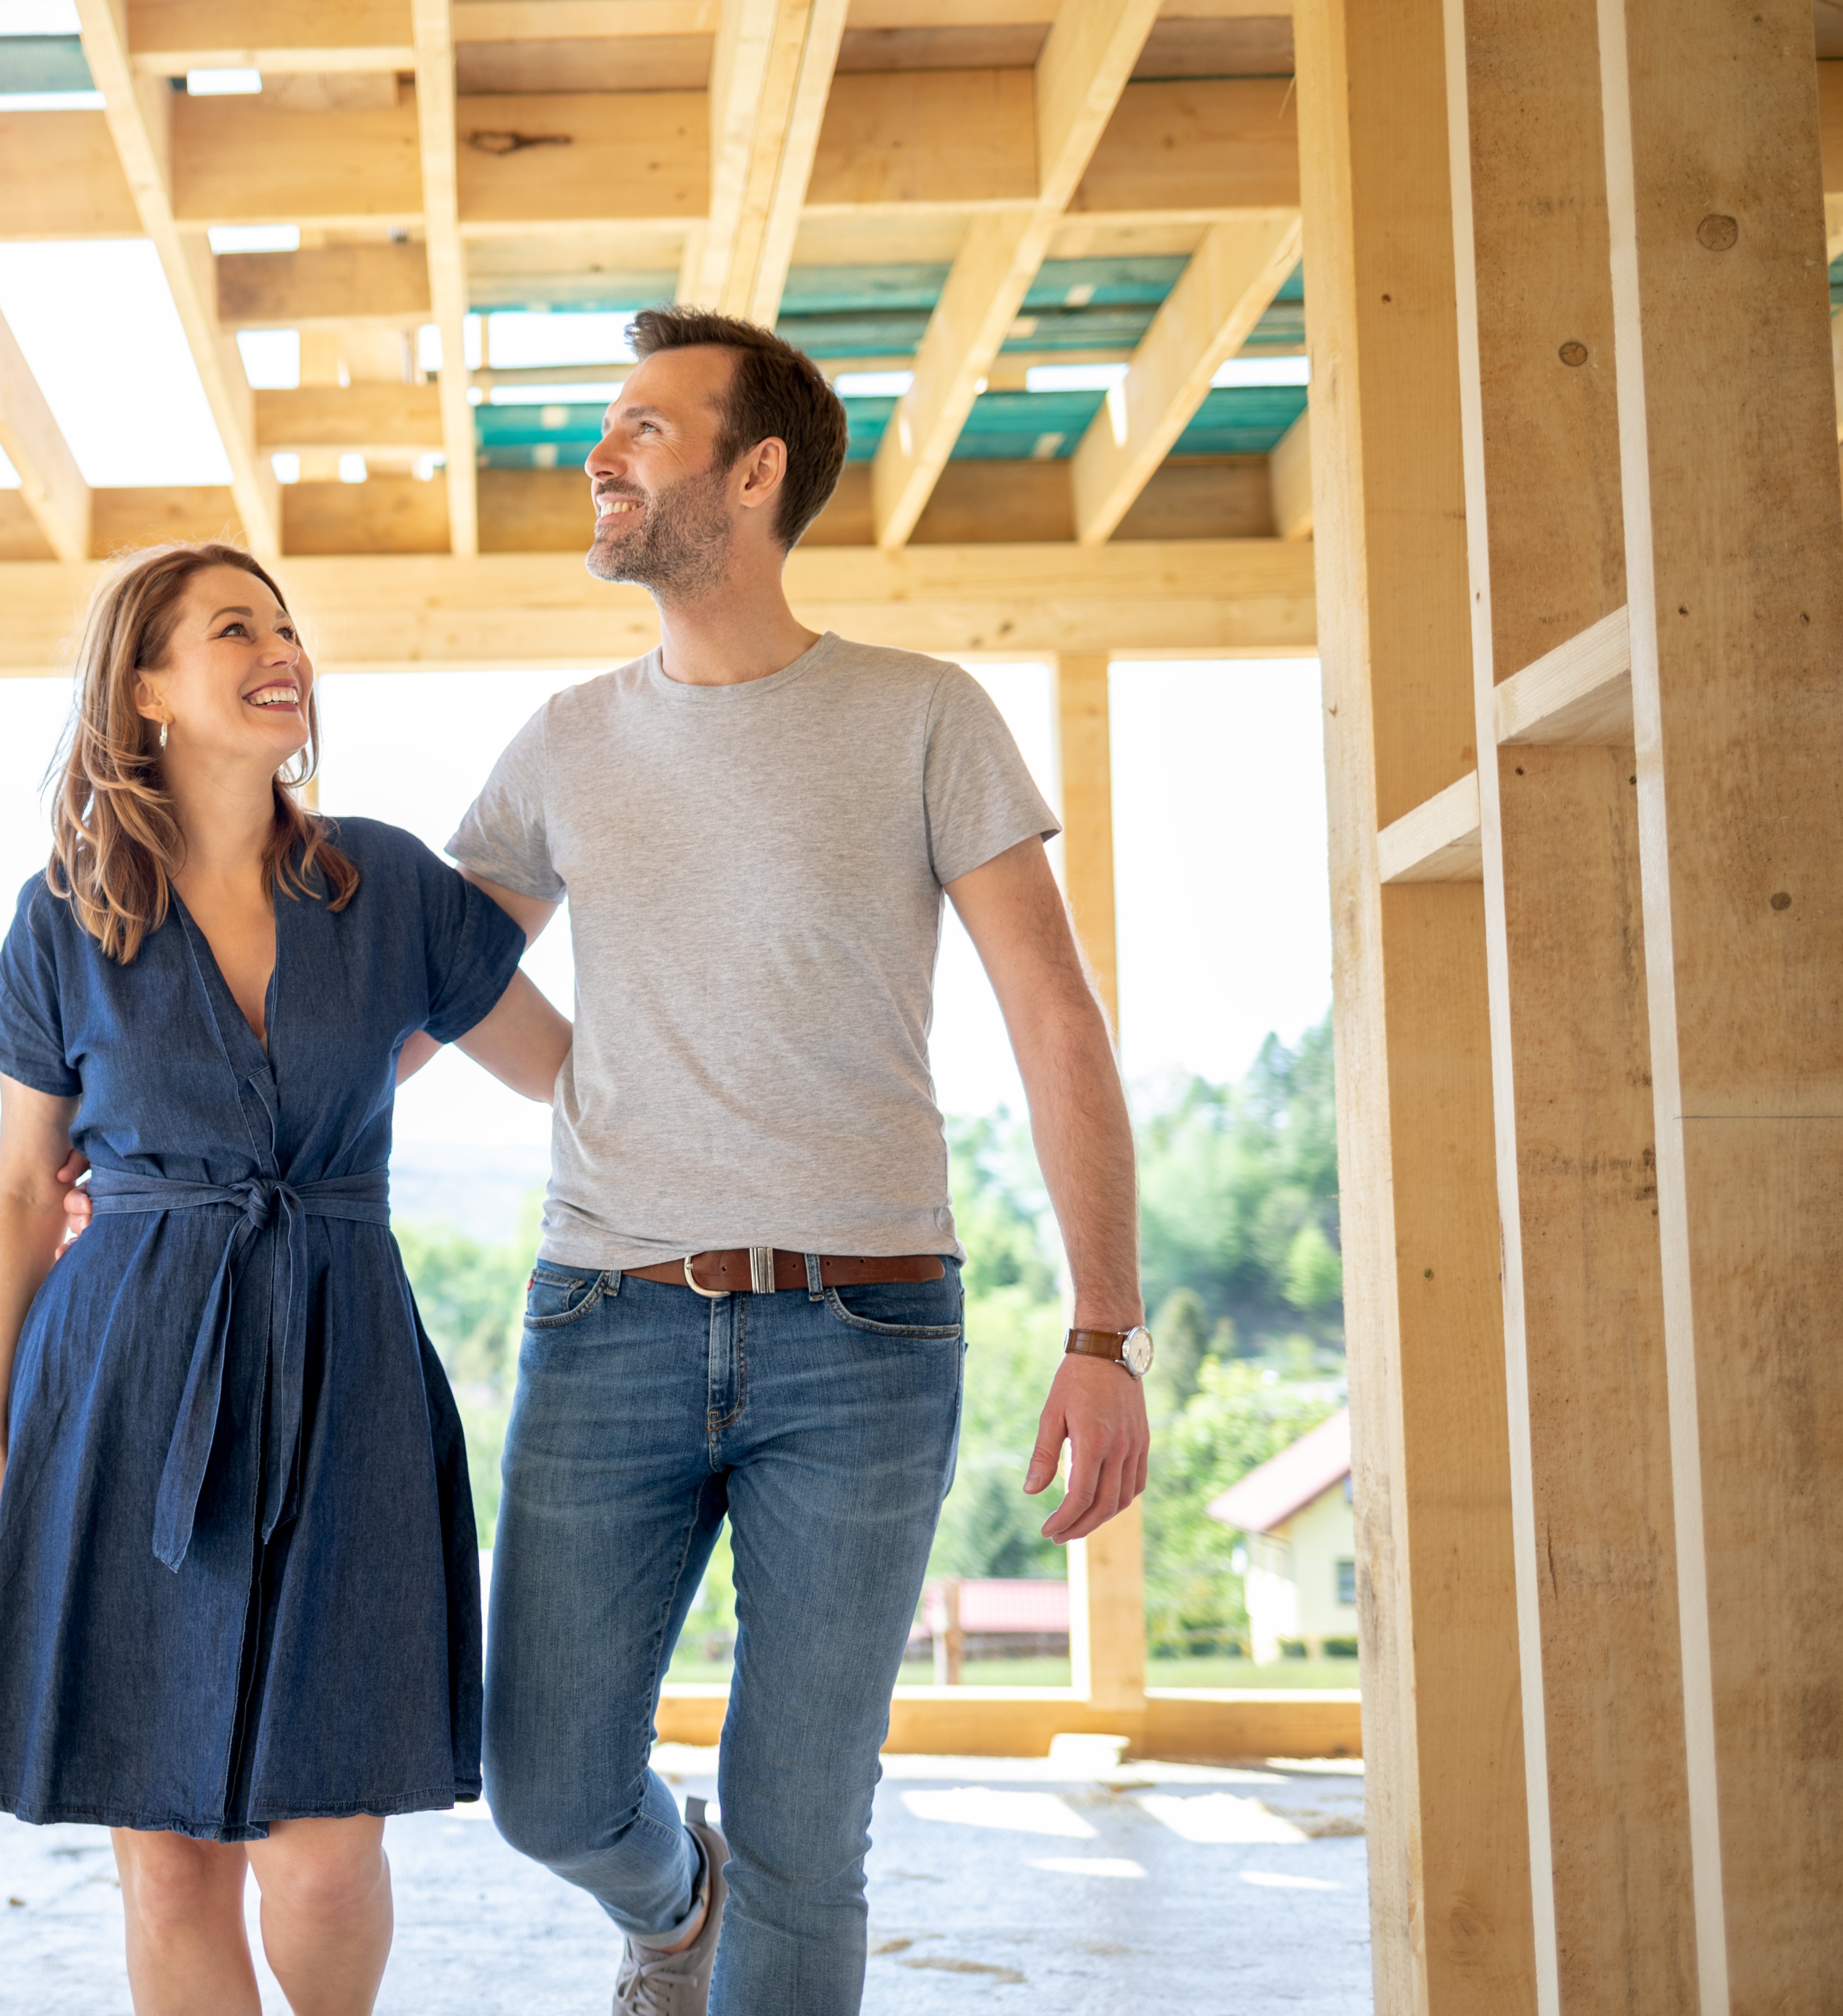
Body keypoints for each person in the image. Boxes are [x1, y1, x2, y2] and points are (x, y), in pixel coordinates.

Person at [448, 308, 1152, 2015]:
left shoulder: (924, 717)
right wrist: (171, 1135)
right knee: (543, 1785)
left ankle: (738, 1899)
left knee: (804, 1829)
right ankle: (673, 1905)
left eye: (646, 427)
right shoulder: (564, 740)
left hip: (868, 1337)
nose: (600, 455)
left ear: (755, 473)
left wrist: (1105, 1328)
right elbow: (421, 986)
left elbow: (1054, 1016)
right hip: (605, 1316)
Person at [0, 541, 573, 2016]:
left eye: (286, 627)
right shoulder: (63, 913)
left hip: (347, 1375)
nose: (282, 649)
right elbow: (25, 1188)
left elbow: (569, 1072)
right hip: (121, 1385)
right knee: (167, 1863)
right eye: (235, 628)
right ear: (147, 689)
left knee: (327, 1857)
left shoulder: (387, 882)